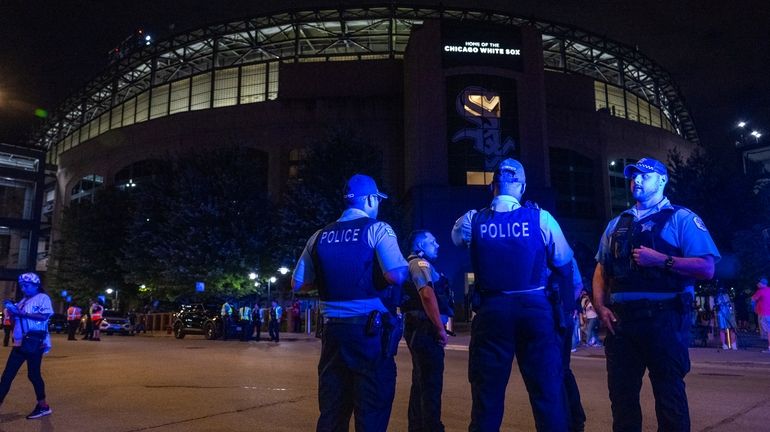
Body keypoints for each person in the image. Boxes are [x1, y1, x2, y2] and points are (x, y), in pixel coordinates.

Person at [592, 157, 720, 431]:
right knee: (622, 400)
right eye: (633, 176)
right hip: (622, 324)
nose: (636, 181)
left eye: (644, 176)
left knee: (669, 399)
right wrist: (600, 306)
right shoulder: (617, 224)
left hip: (665, 321)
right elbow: (602, 268)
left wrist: (662, 260)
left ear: (662, 180)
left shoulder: (681, 218)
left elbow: (707, 267)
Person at [451, 158, 574, 431]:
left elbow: (457, 239)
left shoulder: (473, 219)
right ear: (522, 186)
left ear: (492, 186)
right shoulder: (541, 218)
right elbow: (564, 263)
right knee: (548, 396)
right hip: (536, 312)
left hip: (492, 313)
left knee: (487, 399)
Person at [292, 173, 408, 432]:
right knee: (372, 412)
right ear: (368, 199)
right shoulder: (378, 229)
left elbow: (298, 283)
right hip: (369, 336)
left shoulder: (319, 236)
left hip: (333, 334)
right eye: (377, 200)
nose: (378, 205)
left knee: (332, 412)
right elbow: (396, 274)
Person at [401, 230, 451, 432]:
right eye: (433, 241)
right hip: (425, 329)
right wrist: (440, 329)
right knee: (430, 385)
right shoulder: (419, 264)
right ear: (420, 246)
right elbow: (428, 296)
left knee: (421, 383)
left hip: (420, 328)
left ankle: (418, 427)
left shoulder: (420, 264)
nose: (437, 244)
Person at [0, 272, 53, 419]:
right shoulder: (23, 300)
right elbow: (17, 318)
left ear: (36, 285)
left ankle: (43, 406)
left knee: (33, 374)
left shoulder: (43, 298)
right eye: (22, 285)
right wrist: (11, 311)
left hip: (35, 342)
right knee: (7, 376)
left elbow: (44, 316)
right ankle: (43, 406)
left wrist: (22, 314)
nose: (23, 288)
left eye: (27, 285)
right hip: (20, 342)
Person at [751, 277, 770, 352]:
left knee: (768, 331)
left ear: (762, 283)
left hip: (764, 313)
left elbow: (752, 300)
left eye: (758, 283)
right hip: (768, 313)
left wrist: (753, 308)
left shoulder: (760, 291)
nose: (757, 284)